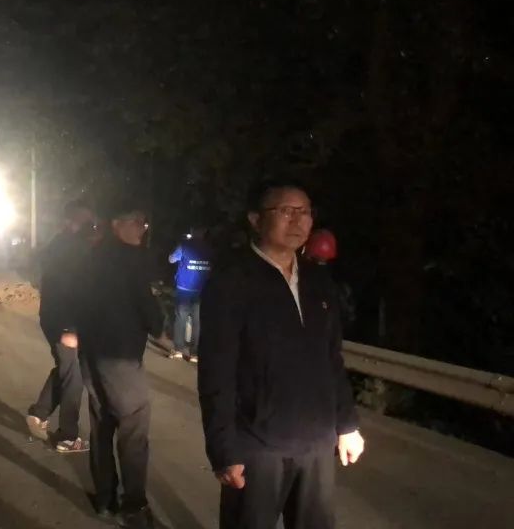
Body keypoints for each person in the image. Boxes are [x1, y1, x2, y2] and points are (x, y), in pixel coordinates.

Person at [198, 181, 365, 529]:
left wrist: (347, 424)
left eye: (305, 212)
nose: (298, 220)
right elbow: (217, 370)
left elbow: (331, 359)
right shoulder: (232, 281)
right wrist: (223, 449)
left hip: (317, 443)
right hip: (258, 444)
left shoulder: (318, 281)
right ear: (256, 219)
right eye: (286, 211)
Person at [77, 201, 163, 528]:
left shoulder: (92, 255)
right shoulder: (130, 258)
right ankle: (134, 506)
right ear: (116, 224)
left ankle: (105, 499)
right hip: (121, 356)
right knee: (133, 428)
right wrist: (158, 326)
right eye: (135, 221)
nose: (142, 228)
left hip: (92, 351)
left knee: (102, 424)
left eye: (144, 222)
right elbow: (146, 304)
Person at [27, 200, 97, 453]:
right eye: (85, 220)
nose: (90, 225)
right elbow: (65, 289)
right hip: (64, 322)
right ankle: (67, 436)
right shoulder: (70, 247)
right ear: (70, 220)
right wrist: (69, 327)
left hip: (58, 318)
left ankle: (39, 413)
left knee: (68, 370)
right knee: (74, 376)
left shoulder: (62, 243)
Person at [168, 228, 213, 362]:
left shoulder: (185, 245)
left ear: (193, 232)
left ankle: (178, 350)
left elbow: (171, 259)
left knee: (181, 319)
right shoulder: (210, 248)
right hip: (201, 290)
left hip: (184, 288)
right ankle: (194, 354)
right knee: (197, 321)